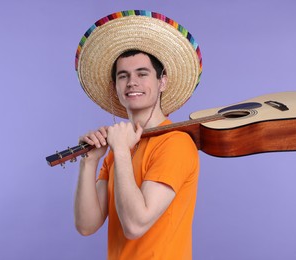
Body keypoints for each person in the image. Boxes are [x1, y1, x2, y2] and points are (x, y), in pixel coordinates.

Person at [73, 10, 203, 259]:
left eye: (142, 74)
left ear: (162, 81)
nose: (132, 82)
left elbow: (135, 225)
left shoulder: (175, 143)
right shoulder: (118, 151)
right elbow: (86, 225)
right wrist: (89, 163)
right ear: (116, 87)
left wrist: (120, 150)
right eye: (123, 76)